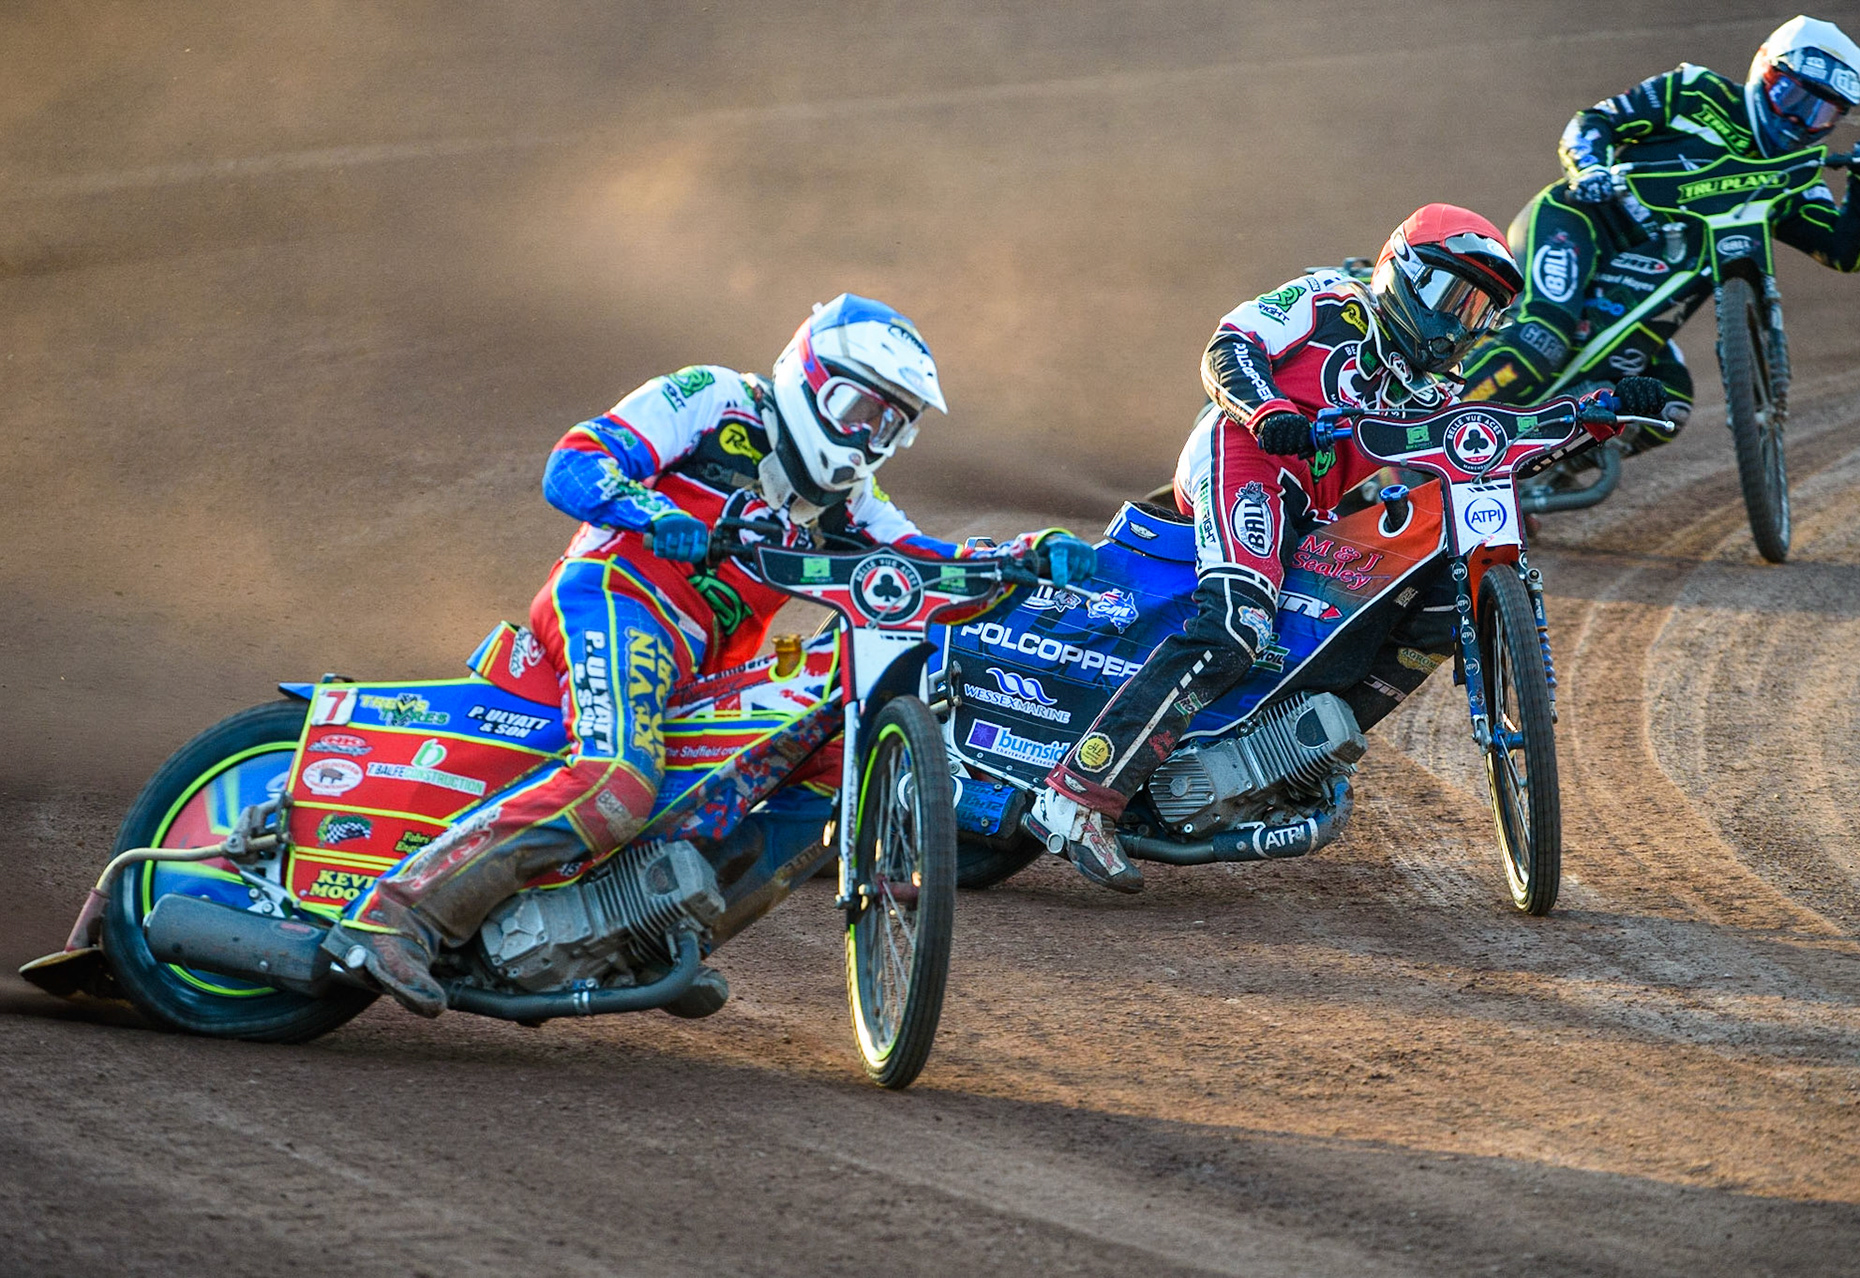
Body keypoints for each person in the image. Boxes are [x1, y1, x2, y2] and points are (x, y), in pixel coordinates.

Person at [323, 294, 1097, 1014]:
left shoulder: (849, 501)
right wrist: (651, 510)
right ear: (808, 377)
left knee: (828, 769)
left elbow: (923, 567)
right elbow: (576, 461)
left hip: (704, 665)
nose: (867, 440)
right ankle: (398, 918)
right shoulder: (715, 398)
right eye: (859, 410)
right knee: (618, 777)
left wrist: (1022, 558)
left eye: (890, 427)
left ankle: (646, 935)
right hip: (618, 600)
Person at [1025, 206, 1665, 893]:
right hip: (1247, 458)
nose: (1462, 325)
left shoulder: (1432, 391)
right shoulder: (1332, 300)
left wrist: (1594, 418)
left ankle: (1291, 760)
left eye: (1480, 314)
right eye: (1456, 300)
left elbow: (1488, 461)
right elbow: (1229, 347)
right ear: (1405, 273)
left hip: (1318, 503)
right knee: (1237, 625)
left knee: (1434, 607)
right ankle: (1079, 795)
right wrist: (1267, 411)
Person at [1458, 14, 1860, 440]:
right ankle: (1416, 442)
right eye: (1792, 98)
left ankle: (1532, 479)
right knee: (1542, 340)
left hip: (1641, 304)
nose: (1799, 121)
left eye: (1822, 114)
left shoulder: (1796, 177)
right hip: (1580, 225)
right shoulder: (1696, 91)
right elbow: (1596, 121)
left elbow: (1844, 251)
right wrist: (1588, 168)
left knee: (1669, 403)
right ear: (1763, 70)